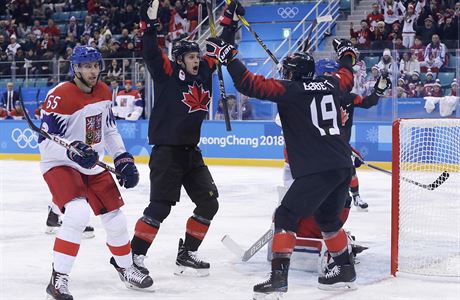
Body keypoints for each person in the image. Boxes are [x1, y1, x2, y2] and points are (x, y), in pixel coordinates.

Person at [206, 33, 362, 295]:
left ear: (295, 75)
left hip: (318, 168)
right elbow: (347, 73)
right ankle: (345, 269)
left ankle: (278, 278)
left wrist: (230, 57)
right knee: (327, 218)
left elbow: (249, 84)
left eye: (287, 72)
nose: (284, 76)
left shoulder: (291, 92)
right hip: (342, 166)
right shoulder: (331, 84)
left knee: (285, 216)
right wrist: (348, 53)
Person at [129, 0, 243, 278]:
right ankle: (134, 257)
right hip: (167, 153)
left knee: (209, 203)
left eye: (197, 56)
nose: (196, 60)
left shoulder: (204, 72)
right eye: (191, 57)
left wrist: (231, 19)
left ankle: (187, 252)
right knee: (159, 208)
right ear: (180, 60)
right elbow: (151, 54)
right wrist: (150, 26)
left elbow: (220, 47)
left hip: (191, 153)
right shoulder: (168, 75)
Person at [39, 45, 153, 300]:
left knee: (116, 218)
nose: (93, 71)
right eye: (87, 66)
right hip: (61, 165)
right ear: (75, 68)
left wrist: (122, 158)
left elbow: (109, 129)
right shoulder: (60, 96)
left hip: (91, 164)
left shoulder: (103, 91)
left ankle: (125, 268)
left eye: (95, 65)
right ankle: (58, 280)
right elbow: (46, 143)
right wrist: (72, 151)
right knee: (78, 214)